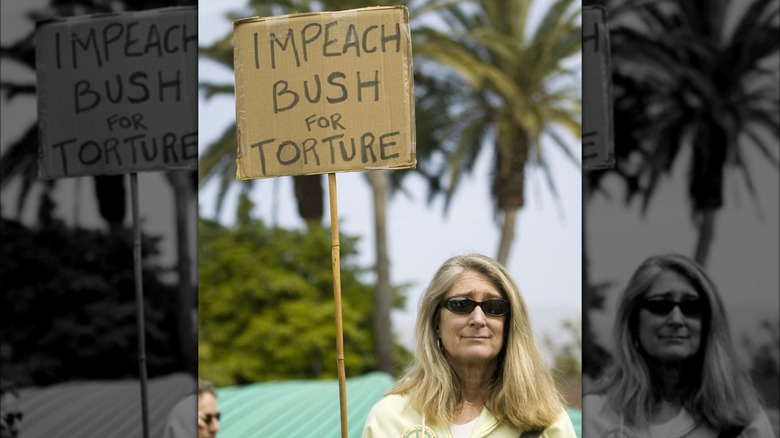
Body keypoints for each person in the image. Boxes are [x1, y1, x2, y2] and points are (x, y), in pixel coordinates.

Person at [363, 253, 576, 438]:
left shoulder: (547, 421)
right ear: (436, 322)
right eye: (461, 304)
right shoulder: (390, 417)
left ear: (509, 325)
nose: (478, 319)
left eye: (493, 306)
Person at [583, 253, 775, 438]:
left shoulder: (745, 422)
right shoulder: (593, 416)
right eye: (660, 306)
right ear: (634, 323)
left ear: (709, 324)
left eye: (692, 307)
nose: (676, 319)